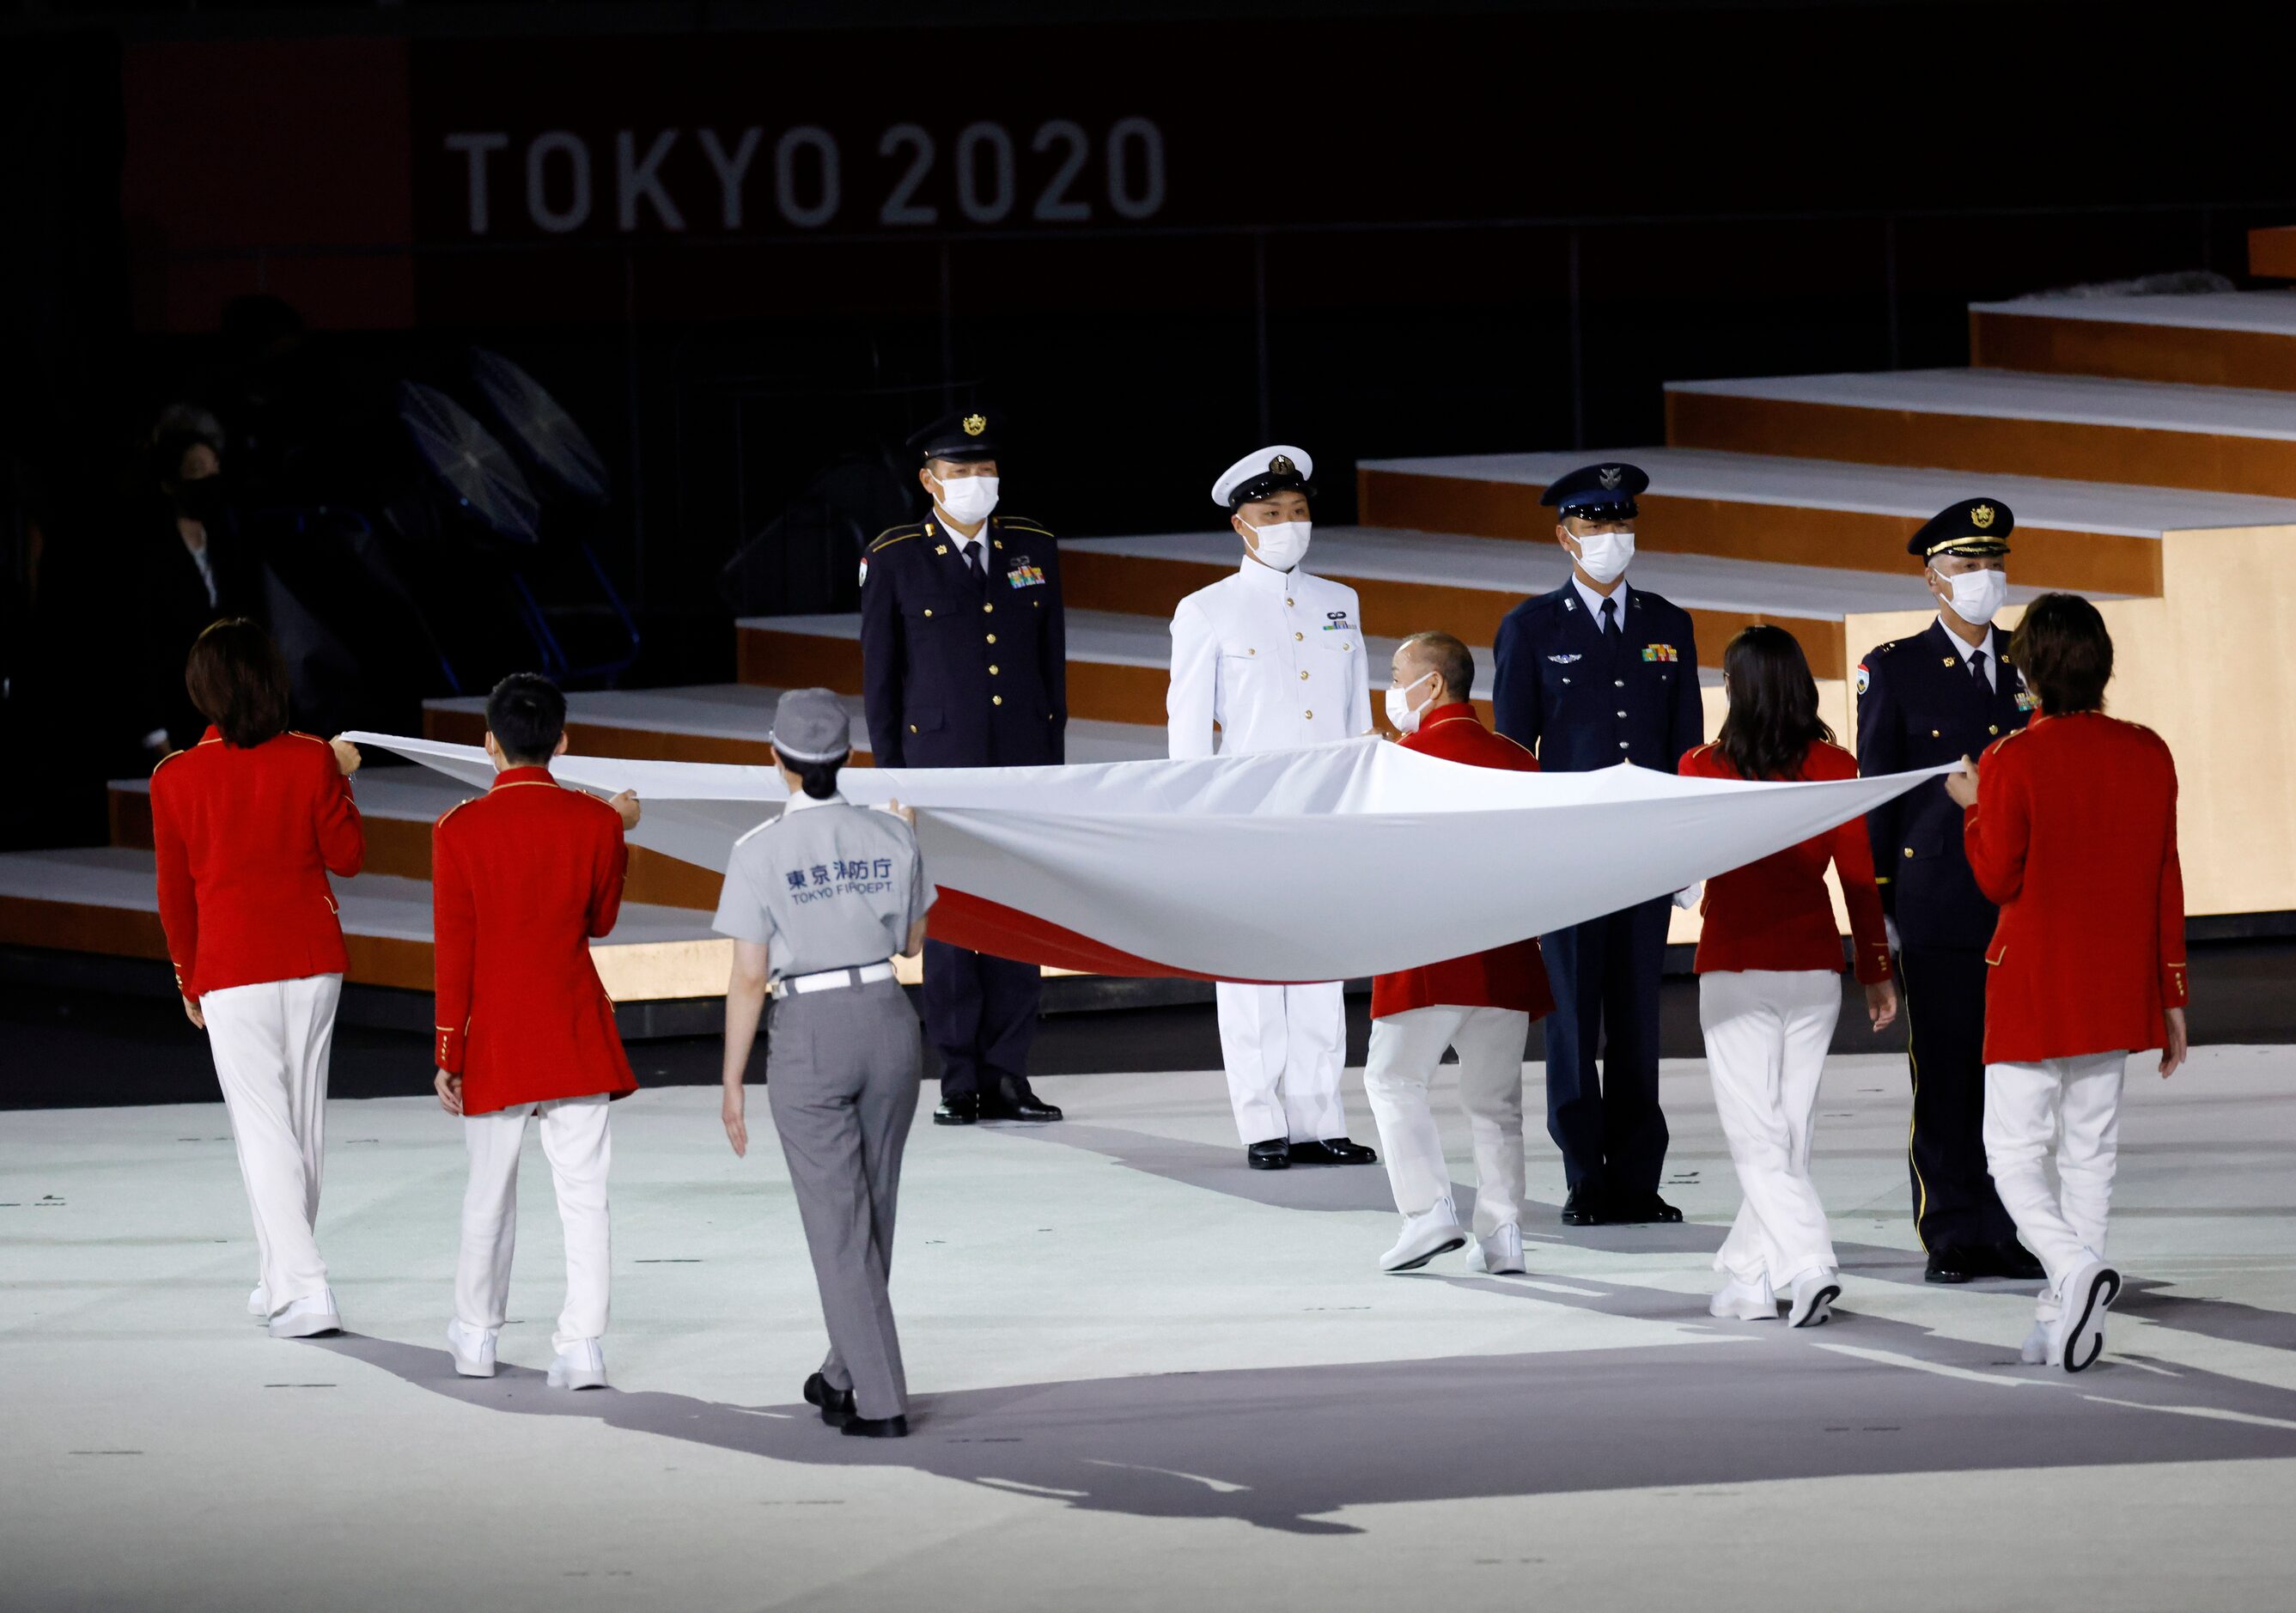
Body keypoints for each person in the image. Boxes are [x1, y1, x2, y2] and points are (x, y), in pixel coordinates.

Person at [1946, 593, 2188, 1373]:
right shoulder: (2149, 752)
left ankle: (2071, 1272)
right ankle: (2067, 1321)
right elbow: (2164, 881)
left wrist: (1973, 804)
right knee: (2090, 1155)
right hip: (2116, 983)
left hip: (2033, 981)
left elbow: (1994, 877)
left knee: (2012, 1155)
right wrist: (2172, 995)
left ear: (2029, 674)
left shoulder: (2013, 759)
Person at [716, 688, 935, 1439]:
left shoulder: (757, 852)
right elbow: (912, 946)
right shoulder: (894, 835)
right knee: (874, 1208)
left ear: (776, 760)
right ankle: (841, 1376)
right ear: (846, 761)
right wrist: (908, 842)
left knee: (839, 1227)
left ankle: (881, 1400)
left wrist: (731, 1081)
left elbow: (748, 977)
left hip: (810, 1027)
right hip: (889, 1019)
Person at [1490, 462, 1702, 1226]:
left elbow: (1687, 744)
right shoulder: (1529, 627)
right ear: (1563, 536)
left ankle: (1638, 1179)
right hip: (1570, 854)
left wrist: (1688, 847)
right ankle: (1585, 1178)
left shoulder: (1666, 623)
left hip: (1646, 849)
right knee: (1575, 1020)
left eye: (1620, 522)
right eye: (1593, 523)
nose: (1611, 536)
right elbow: (1514, 751)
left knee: (1639, 1018)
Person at [1166, 444, 1379, 1172]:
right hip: (1247, 816)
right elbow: (1189, 731)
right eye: (1270, 514)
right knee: (1255, 977)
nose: (1288, 524)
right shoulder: (1206, 610)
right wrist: (1193, 826)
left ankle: (1320, 1118)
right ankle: (1262, 1123)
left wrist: (1362, 801)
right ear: (1240, 524)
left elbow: (1356, 718)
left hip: (1326, 811)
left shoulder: (1339, 602)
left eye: (1297, 511)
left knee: (1320, 972)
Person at [149, 618, 363, 1338]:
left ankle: (306, 1287)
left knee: (266, 1130)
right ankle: (282, 1274)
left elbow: (173, 894)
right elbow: (349, 854)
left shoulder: (175, 776)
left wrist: (187, 974)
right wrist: (338, 776)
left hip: (233, 965)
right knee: (299, 1125)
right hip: (309, 958)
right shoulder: (309, 759)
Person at [429, 673, 643, 1391]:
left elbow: (455, 951)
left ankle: (477, 1337)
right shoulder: (596, 823)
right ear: (561, 741)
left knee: (488, 1192)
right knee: (584, 1194)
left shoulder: (457, 830)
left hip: (496, 1034)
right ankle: (582, 1345)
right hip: (574, 1026)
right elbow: (600, 922)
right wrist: (615, 833)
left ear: (488, 744)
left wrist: (448, 1052)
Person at [1680, 626, 1898, 1326]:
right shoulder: (1835, 764)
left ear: (1737, 690)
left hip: (1735, 964)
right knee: (1788, 1131)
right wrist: (1876, 969)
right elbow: (1860, 880)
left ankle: (1808, 1264)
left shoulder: (1700, 766)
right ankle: (1748, 1277)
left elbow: (1680, 873)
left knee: (1758, 1136)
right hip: (1812, 966)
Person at [857, 406, 1063, 1129]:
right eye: (959, 470)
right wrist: (894, 782)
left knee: (1016, 914)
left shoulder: (1032, 545)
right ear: (927, 480)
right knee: (950, 922)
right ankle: (959, 1077)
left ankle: (1009, 1072)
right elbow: (881, 682)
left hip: (1020, 767)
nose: (976, 481)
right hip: (936, 768)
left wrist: (1052, 774)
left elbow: (1049, 670)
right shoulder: (895, 555)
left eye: (986, 469)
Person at [1854, 497, 2043, 1286]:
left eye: (1993, 564)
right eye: (1966, 566)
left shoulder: (2032, 662)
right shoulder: (1892, 667)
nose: (1984, 579)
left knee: (2014, 1079)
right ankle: (1950, 1231)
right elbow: (1875, 793)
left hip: (2021, 900)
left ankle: (2010, 1225)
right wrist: (1879, 913)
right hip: (1935, 899)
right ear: (1932, 577)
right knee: (1943, 1073)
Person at [1365, 632, 1555, 1273]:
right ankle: (1502, 1236)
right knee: (1495, 1106)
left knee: (1392, 1080)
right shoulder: (1515, 759)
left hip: (1424, 954)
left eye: (1396, 674)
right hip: (1504, 956)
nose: (1389, 688)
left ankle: (1426, 1214)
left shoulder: (1400, 760)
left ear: (1433, 684)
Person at [134, 406, 257, 759]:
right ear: (171, 483)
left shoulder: (227, 545)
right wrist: (158, 739)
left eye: (215, 468)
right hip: (174, 722)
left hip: (222, 721)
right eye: (198, 472)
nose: (211, 480)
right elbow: (144, 648)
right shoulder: (152, 555)